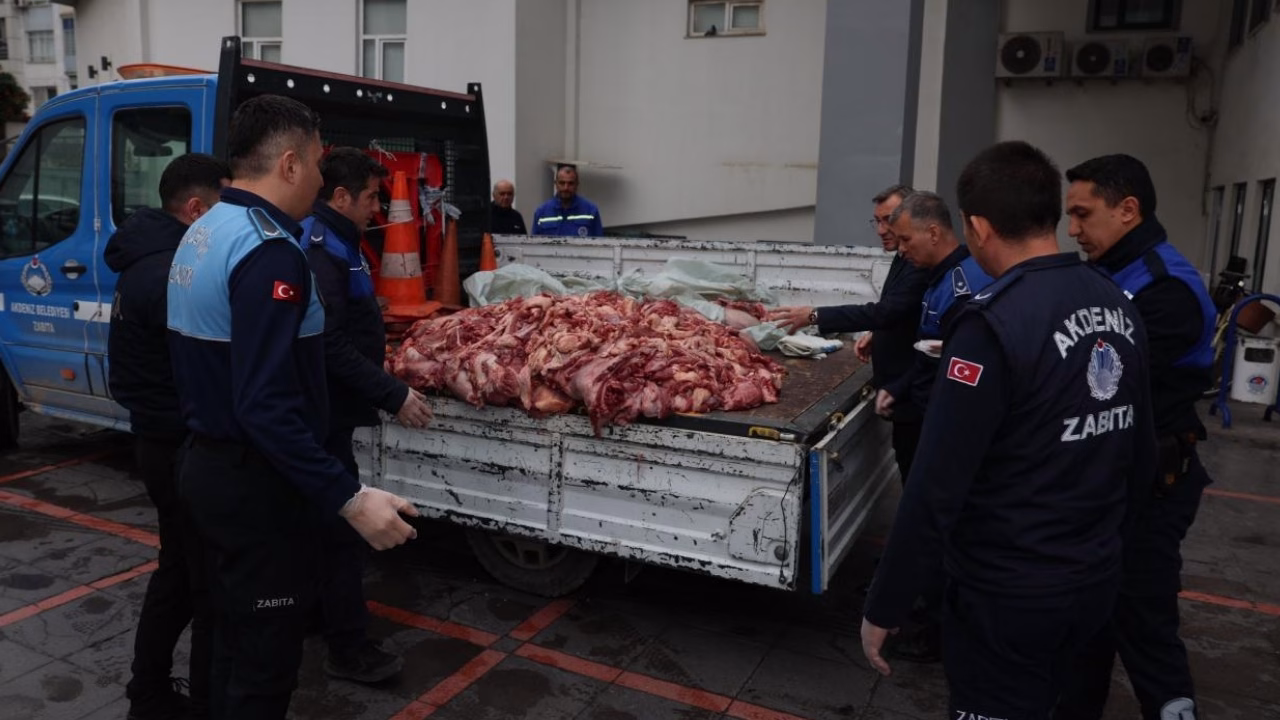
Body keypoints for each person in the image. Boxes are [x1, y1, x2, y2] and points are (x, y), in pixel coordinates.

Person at [860, 140, 1158, 720]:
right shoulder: (1117, 301)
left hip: (1010, 591)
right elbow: (1139, 451)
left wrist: (886, 602)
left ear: (978, 227)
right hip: (1095, 577)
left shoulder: (990, 322)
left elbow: (936, 482)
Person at [167, 94, 420, 720]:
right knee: (263, 669)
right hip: (255, 485)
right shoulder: (270, 251)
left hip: (207, 465)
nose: (318, 179)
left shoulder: (205, 228)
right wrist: (350, 498)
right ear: (288, 164)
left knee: (226, 643)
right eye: (314, 163)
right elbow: (265, 405)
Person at [1055, 154, 1217, 720]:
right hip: (1110, 484)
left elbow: (1102, 383)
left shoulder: (1163, 288)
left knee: (1144, 624)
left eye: (1082, 214)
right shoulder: (1111, 273)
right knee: (1087, 625)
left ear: (1128, 210)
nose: (1072, 229)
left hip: (1151, 489)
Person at [302, 147, 434, 684]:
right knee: (341, 531)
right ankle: (348, 648)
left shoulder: (342, 240)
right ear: (340, 197)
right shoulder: (320, 248)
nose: (378, 209)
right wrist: (392, 393)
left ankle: (317, 616)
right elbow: (327, 342)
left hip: (333, 410)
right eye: (371, 198)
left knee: (319, 526)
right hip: (322, 414)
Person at [108, 152, 230, 720]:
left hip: (160, 439)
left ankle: (151, 692)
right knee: (196, 581)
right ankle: (176, 698)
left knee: (180, 572)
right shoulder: (169, 272)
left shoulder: (154, 259)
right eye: (223, 207)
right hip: (176, 445)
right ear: (196, 209)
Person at [868, 190, 995, 664]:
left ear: (934, 232)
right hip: (921, 410)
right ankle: (926, 606)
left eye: (905, 240)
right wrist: (900, 387)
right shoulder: (939, 278)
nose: (900, 249)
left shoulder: (966, 284)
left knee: (940, 527)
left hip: (939, 423)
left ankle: (937, 629)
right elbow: (928, 349)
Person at [768, 184, 929, 481]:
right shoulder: (903, 256)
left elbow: (887, 311)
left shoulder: (920, 263)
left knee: (918, 479)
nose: (881, 230)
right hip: (902, 396)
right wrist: (879, 335)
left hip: (914, 398)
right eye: (877, 221)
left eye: (889, 220)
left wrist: (815, 315)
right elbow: (901, 310)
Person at [531, 165, 603, 237]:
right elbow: (534, 243)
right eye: (562, 183)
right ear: (556, 184)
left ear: (577, 185)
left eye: (570, 183)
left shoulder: (591, 212)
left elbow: (599, 242)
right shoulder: (541, 213)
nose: (566, 188)